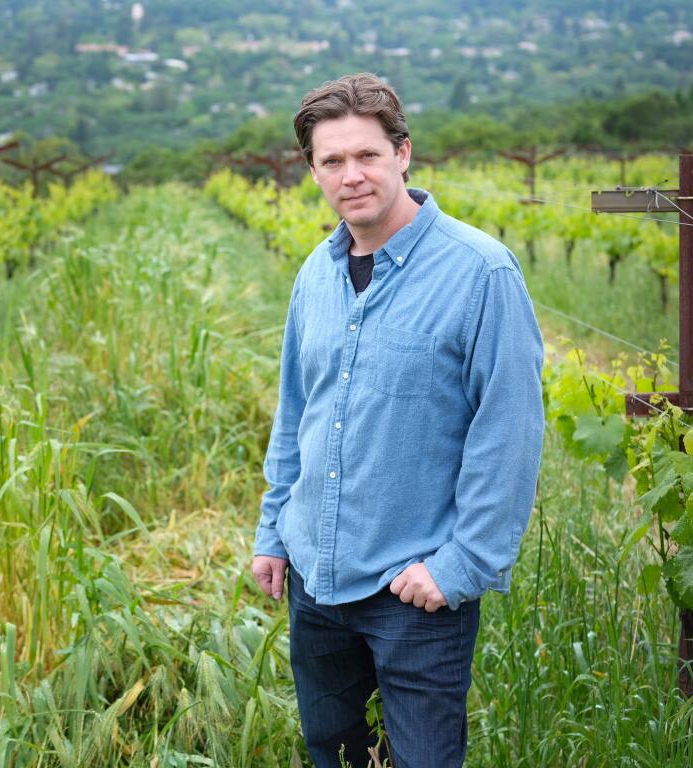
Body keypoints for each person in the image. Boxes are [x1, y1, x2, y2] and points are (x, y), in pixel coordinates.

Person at [250, 73, 544, 768]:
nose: (351, 175)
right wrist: (273, 530)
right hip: (314, 581)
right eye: (332, 160)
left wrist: (461, 565)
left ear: (403, 154)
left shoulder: (481, 273)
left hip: (413, 593)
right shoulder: (314, 274)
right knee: (336, 754)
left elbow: (509, 432)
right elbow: (297, 410)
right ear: (313, 171)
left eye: (367, 155)